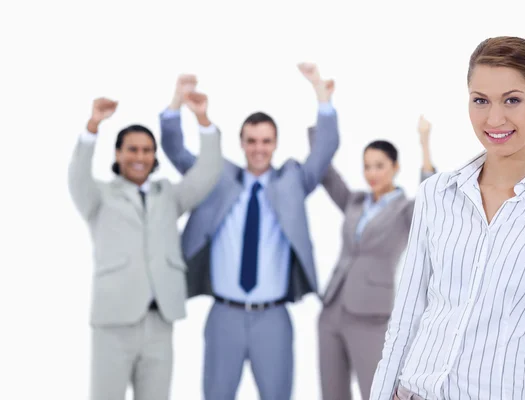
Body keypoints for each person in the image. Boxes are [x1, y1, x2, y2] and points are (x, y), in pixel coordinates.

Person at [370, 36, 525, 400]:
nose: (494, 119)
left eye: (512, 100)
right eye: (481, 101)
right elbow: (404, 321)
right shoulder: (437, 195)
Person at [159, 64, 339, 400]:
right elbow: (176, 151)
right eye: (252, 141)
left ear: (275, 144)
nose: (259, 148)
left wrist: (321, 94)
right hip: (223, 315)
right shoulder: (217, 178)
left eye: (266, 141)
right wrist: (176, 103)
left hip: (274, 318)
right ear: (241, 143)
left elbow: (325, 149)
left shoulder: (292, 182)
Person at [67, 95, 223, 400]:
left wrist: (203, 119)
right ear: (118, 153)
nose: (140, 156)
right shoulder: (99, 197)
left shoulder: (169, 195)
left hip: (159, 321)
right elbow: (76, 177)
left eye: (147, 150)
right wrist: (93, 126)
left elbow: (207, 173)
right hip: (114, 323)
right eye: (133, 149)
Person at [308, 114, 436, 399]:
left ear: (395, 167)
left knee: (376, 391)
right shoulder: (355, 201)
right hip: (332, 309)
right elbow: (325, 173)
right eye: (367, 166)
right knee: (332, 393)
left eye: (379, 166)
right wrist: (322, 111)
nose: (372, 173)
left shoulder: (404, 211)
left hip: (370, 314)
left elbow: (430, 202)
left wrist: (424, 143)